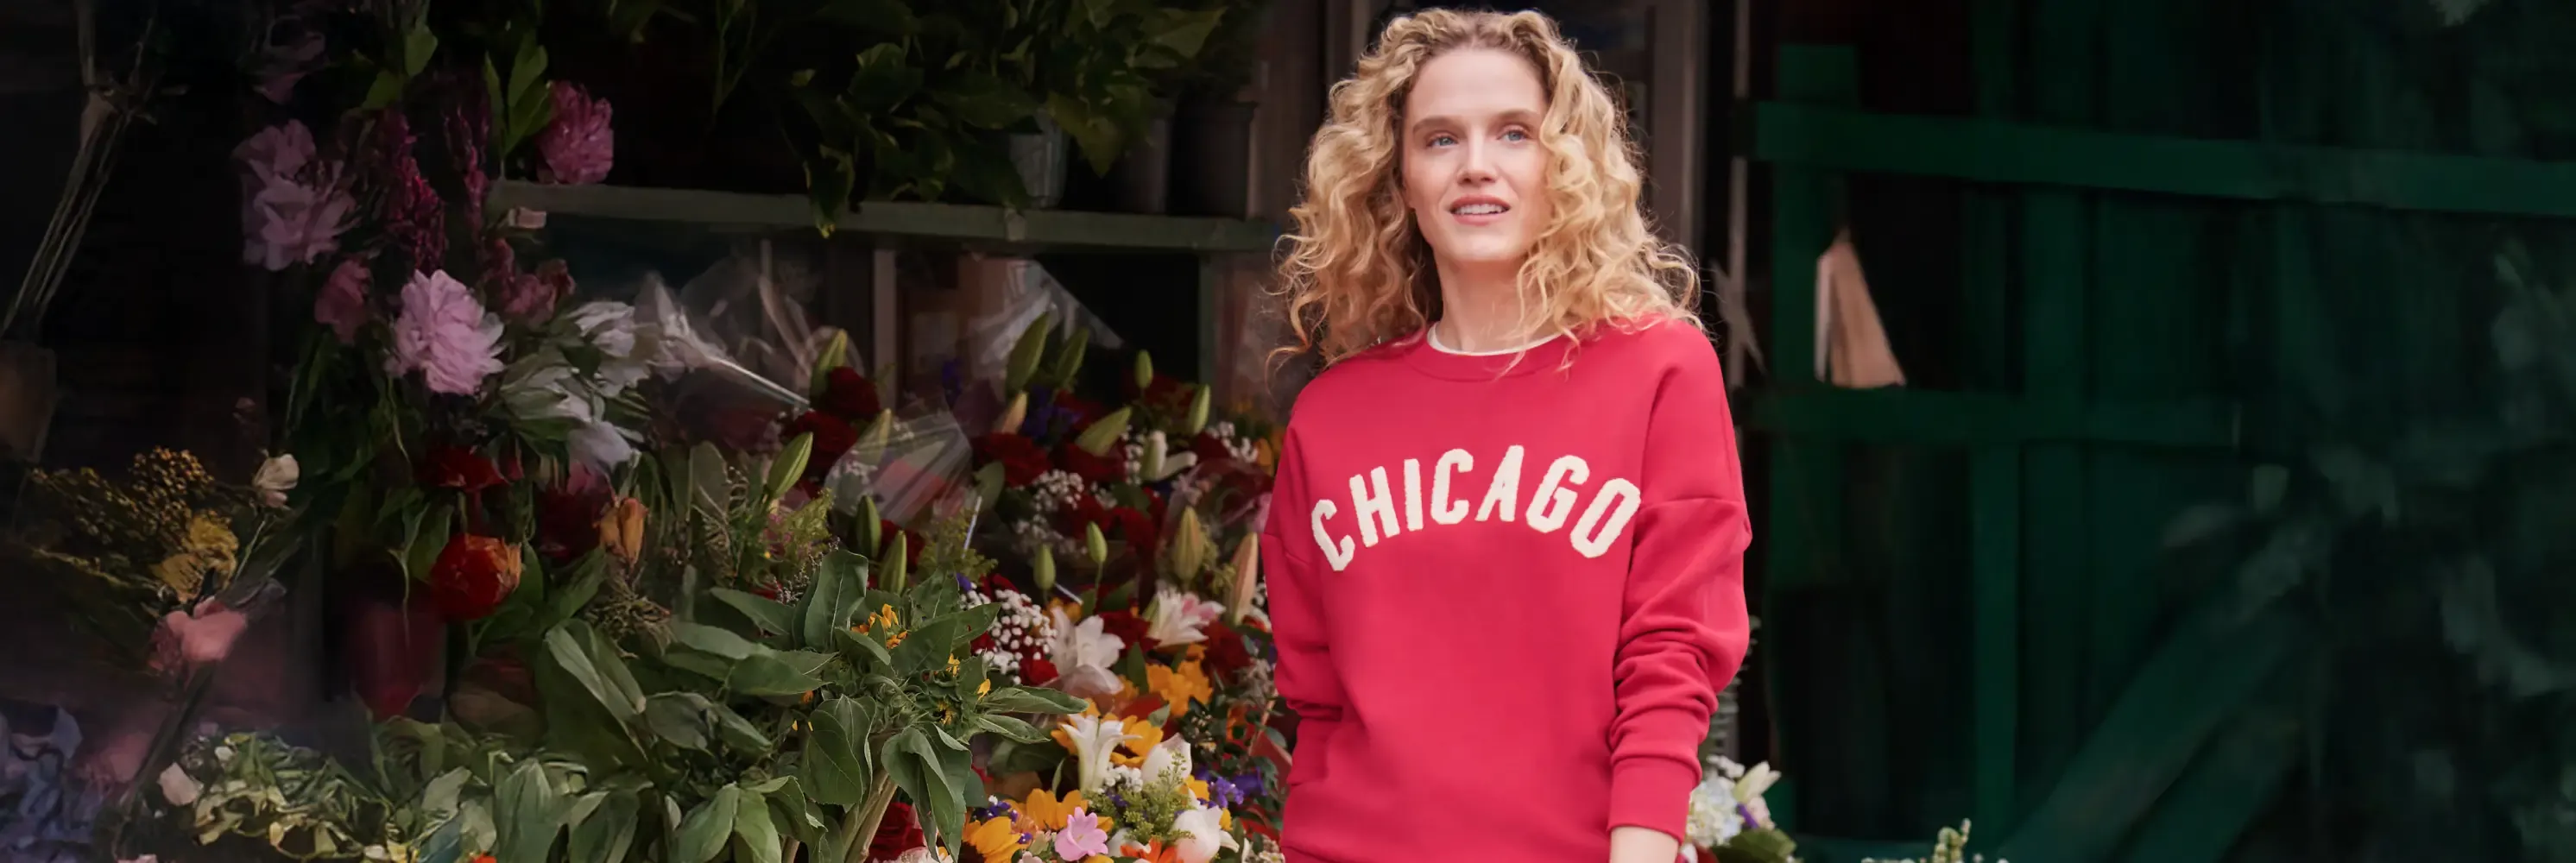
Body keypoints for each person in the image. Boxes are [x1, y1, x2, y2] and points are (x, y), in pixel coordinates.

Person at [1260, 8, 1751, 863]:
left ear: (1565, 163)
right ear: (1398, 178)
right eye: (1440, 139)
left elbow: (1671, 657)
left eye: (1514, 133)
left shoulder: (1659, 370)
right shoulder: (1332, 415)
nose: (1476, 165)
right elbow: (1318, 701)